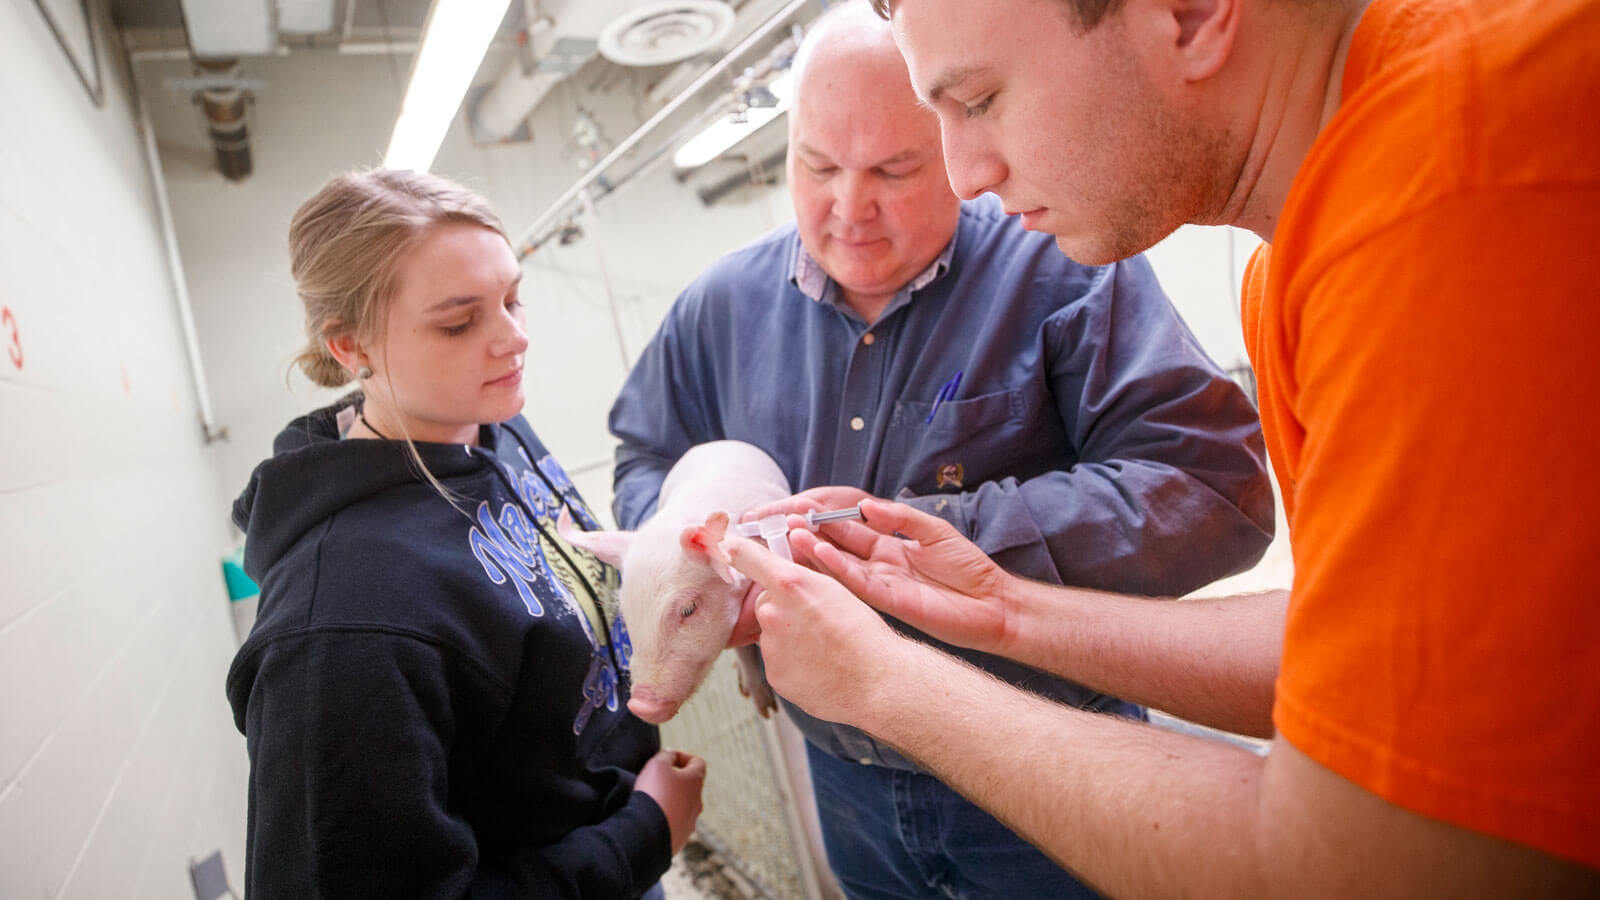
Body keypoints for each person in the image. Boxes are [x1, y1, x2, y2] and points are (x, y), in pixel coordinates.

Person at [720, 0, 1600, 895]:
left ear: (1188, 13)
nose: (967, 174)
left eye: (980, 100)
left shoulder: (1458, 188)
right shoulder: (1295, 259)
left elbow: (1367, 870)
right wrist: (1002, 610)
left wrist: (887, 685)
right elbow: (1361, 660)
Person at [609, 4, 1273, 896]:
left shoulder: (1065, 261)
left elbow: (1210, 489)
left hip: (1047, 754)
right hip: (845, 781)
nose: (850, 209)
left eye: (894, 168)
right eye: (817, 167)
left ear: (960, 139)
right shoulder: (717, 310)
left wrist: (924, 543)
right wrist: (690, 560)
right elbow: (643, 462)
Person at [226, 169, 705, 898]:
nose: (513, 339)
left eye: (513, 298)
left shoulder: (486, 423)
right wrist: (645, 836)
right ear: (351, 347)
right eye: (459, 322)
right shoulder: (343, 628)